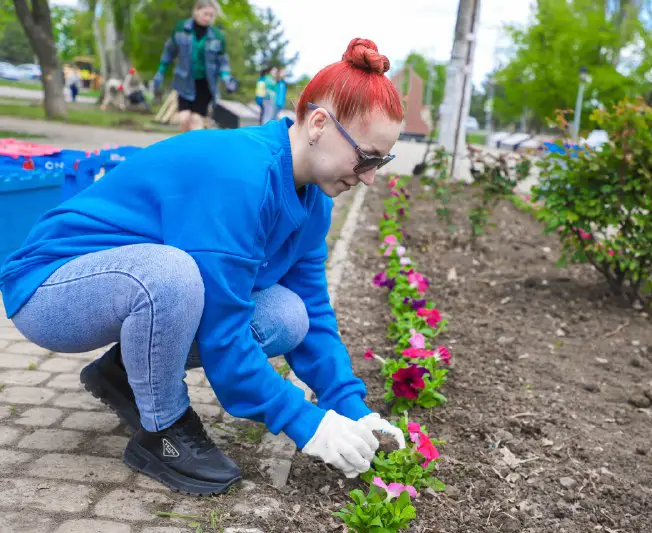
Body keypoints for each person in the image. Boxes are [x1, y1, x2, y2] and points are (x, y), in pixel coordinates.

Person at [0, 38, 404, 496]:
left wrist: (352, 408)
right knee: (172, 275)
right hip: (52, 287)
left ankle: (122, 375)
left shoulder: (314, 200)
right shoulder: (240, 175)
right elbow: (222, 327)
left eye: (382, 160)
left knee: (290, 313)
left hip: (134, 288)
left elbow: (312, 308)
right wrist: (305, 422)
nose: (370, 176)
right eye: (366, 157)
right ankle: (163, 430)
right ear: (317, 124)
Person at [152, 0, 235, 132]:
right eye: (205, 14)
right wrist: (160, 72)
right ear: (196, 11)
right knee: (184, 118)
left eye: (211, 15)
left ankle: (195, 151)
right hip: (184, 81)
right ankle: (185, 148)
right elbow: (169, 52)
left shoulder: (218, 36)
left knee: (197, 120)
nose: (208, 18)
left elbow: (223, 61)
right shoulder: (180, 29)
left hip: (205, 84)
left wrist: (227, 77)